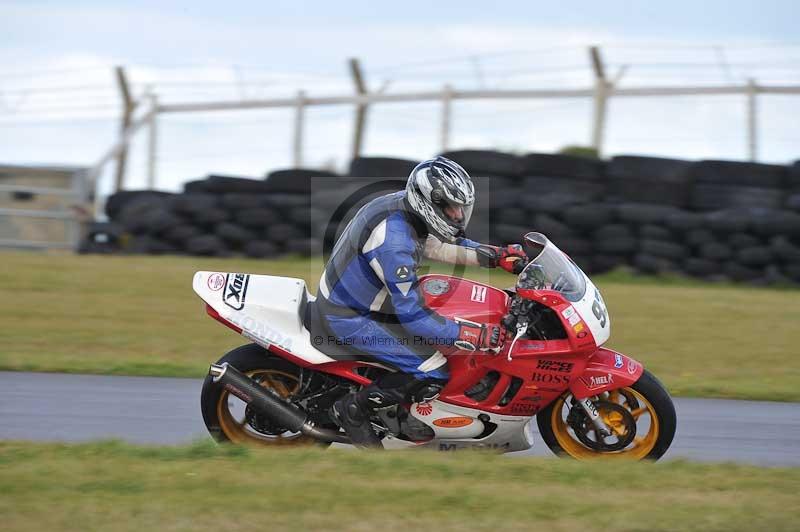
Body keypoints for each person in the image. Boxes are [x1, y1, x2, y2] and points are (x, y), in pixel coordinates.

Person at [310, 156, 526, 447]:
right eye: (451, 208)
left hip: (363, 301)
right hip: (350, 316)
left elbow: (437, 244)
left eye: (461, 208)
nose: (458, 216)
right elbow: (413, 316)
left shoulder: (405, 209)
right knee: (434, 371)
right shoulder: (394, 242)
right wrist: (472, 334)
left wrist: (496, 256)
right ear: (429, 203)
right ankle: (353, 409)